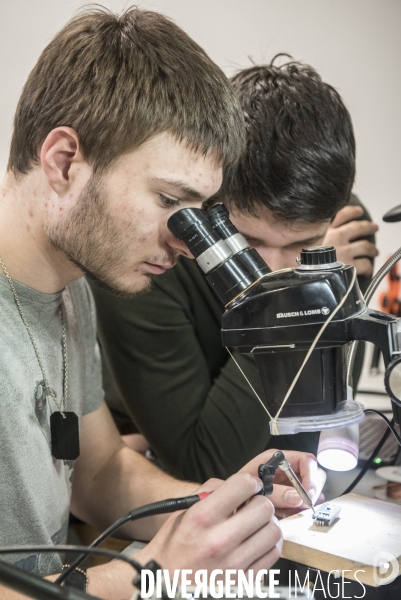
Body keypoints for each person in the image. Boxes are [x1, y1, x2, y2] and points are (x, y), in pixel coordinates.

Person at [0, 9, 326, 600]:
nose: (185, 241)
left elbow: (98, 473)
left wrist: (220, 501)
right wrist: (153, 577)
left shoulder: (71, 288)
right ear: (64, 161)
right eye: (170, 200)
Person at [90, 60, 378, 484]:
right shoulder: (151, 259)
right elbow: (204, 466)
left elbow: (315, 430)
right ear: (212, 197)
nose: (275, 271)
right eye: (250, 243)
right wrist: (291, 311)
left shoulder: (343, 236)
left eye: (304, 247)